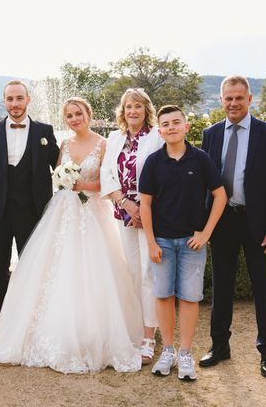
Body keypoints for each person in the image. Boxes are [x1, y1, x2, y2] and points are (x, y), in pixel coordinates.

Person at [0, 97, 143, 373]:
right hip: (64, 210)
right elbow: (57, 175)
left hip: (94, 212)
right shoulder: (63, 144)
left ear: (88, 114)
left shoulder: (104, 144)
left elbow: (109, 182)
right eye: (69, 115)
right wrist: (64, 180)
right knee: (56, 267)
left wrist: (84, 183)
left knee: (95, 270)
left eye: (78, 113)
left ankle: (94, 332)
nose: (74, 119)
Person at [199, 75, 266, 378]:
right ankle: (219, 346)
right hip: (222, 223)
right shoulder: (210, 134)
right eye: (228, 98)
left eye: (239, 98)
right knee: (221, 288)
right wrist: (205, 227)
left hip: (258, 224)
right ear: (222, 100)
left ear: (250, 100)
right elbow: (204, 185)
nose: (233, 103)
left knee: (262, 289)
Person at [139, 105, 227, 380]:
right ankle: (168, 351)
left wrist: (206, 233)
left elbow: (220, 196)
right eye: (165, 124)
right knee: (163, 295)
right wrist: (151, 243)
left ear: (186, 127)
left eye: (176, 122)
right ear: (160, 130)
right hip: (162, 242)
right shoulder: (153, 162)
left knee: (189, 298)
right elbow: (145, 204)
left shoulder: (201, 160)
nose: (171, 127)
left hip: (191, 243)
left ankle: (185, 353)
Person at [0, 80, 60, 340]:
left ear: (28, 100)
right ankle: (0, 322)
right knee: (0, 270)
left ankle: (30, 323)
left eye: (19, 98)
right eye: (10, 99)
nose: (15, 104)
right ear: (4, 101)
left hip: (33, 212)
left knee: (31, 268)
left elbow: (60, 166)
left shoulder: (44, 131)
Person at [100, 88, 163, 364]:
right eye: (128, 107)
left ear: (146, 109)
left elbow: (163, 174)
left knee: (150, 273)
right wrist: (126, 204)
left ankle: (150, 337)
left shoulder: (157, 137)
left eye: (138, 106)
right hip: (124, 214)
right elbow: (106, 175)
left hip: (152, 215)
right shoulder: (115, 138)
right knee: (133, 273)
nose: (133, 111)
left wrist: (143, 208)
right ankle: (139, 328)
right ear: (122, 111)